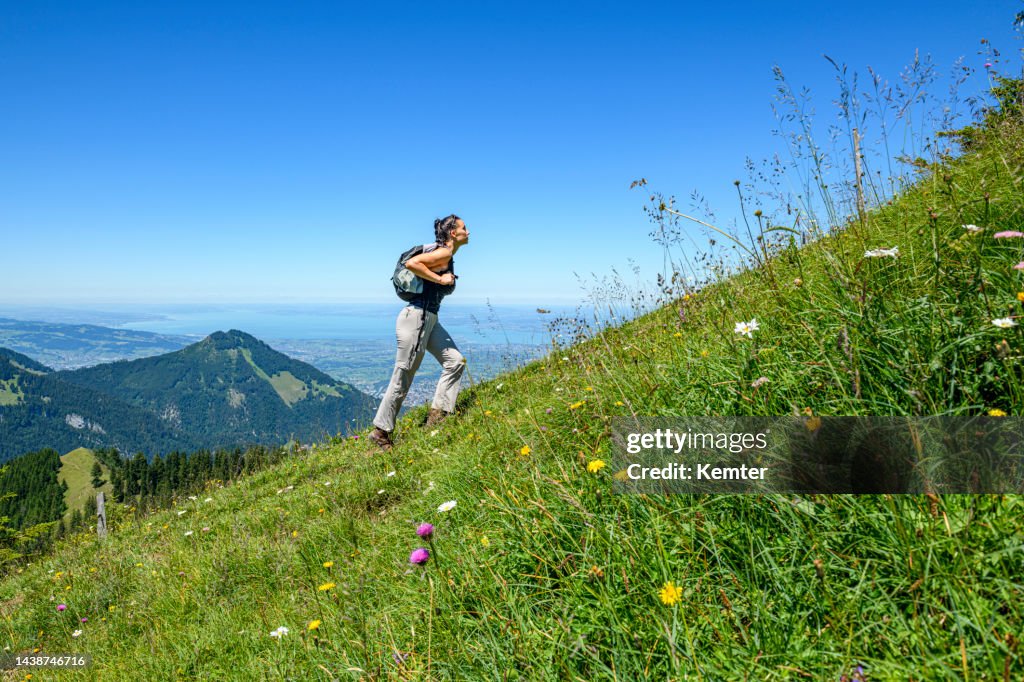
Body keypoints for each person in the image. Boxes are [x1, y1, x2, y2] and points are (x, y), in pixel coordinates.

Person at [369, 215, 470, 450]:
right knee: (404, 374)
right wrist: (441, 279)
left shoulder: (447, 255)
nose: (469, 231)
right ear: (453, 233)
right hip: (417, 318)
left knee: (455, 361)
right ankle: (380, 432)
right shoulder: (444, 252)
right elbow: (412, 264)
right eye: (464, 228)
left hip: (428, 318)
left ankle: (439, 416)